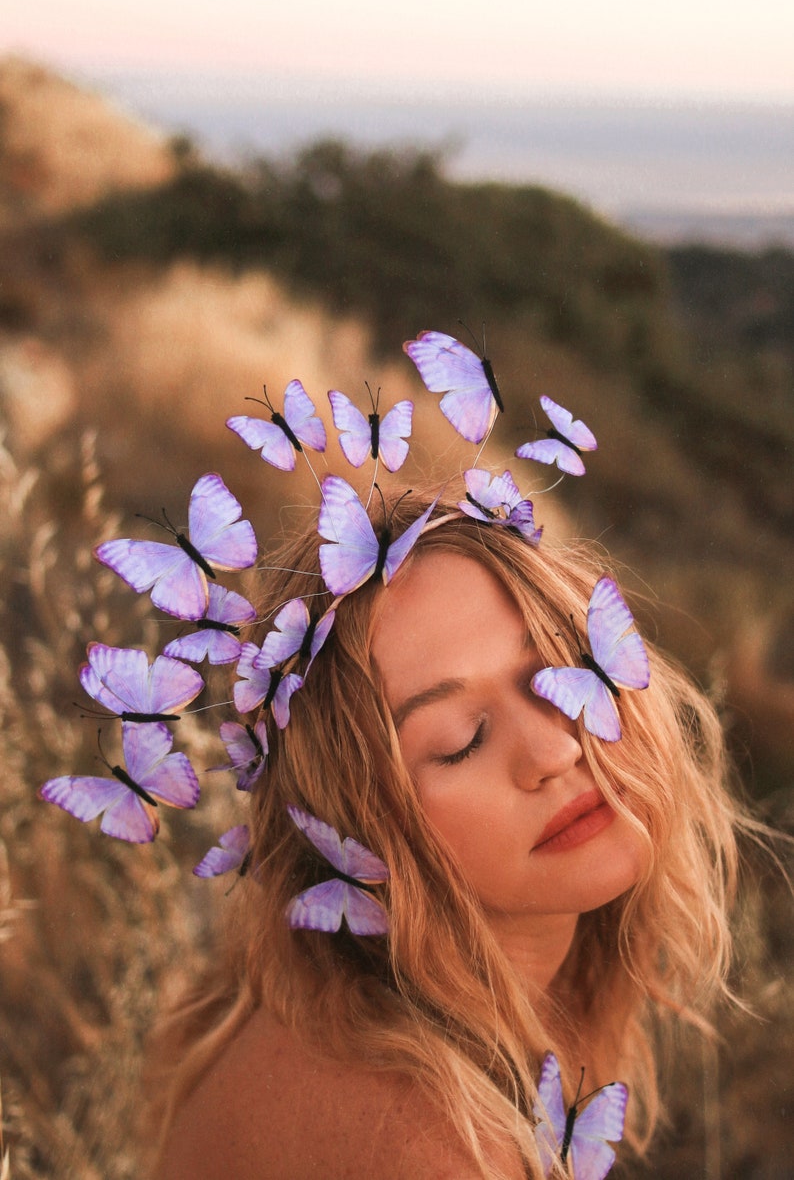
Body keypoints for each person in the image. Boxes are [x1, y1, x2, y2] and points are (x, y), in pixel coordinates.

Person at [149, 490, 747, 1180]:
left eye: (560, 671)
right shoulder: (438, 1148)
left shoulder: (326, 1005)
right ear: (360, 827)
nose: (554, 751)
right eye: (463, 741)